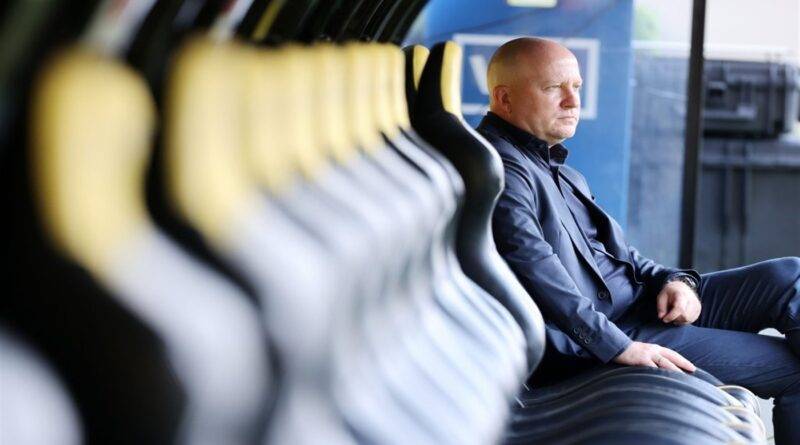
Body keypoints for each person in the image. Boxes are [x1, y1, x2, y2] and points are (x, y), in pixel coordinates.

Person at [478, 37, 800, 444]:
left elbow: (624, 257)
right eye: (553, 88)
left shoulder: (556, 168)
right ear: (504, 98)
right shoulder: (503, 170)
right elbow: (535, 271)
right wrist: (617, 347)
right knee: (793, 371)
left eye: (576, 87)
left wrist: (677, 281)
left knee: (788, 276)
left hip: (644, 304)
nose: (572, 102)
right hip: (612, 332)